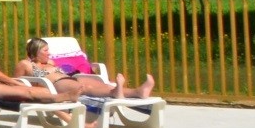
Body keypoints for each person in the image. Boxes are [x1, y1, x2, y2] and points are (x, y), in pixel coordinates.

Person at [0, 22, 75, 122]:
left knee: (43, 92)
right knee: (29, 92)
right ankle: (65, 97)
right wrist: (15, 83)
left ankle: (69, 119)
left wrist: (11, 83)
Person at [16, 38, 156, 101]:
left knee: (99, 84)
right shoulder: (25, 64)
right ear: (35, 52)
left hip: (68, 78)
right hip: (56, 85)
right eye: (45, 50)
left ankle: (135, 91)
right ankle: (116, 92)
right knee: (85, 86)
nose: (49, 53)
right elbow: (16, 82)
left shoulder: (50, 62)